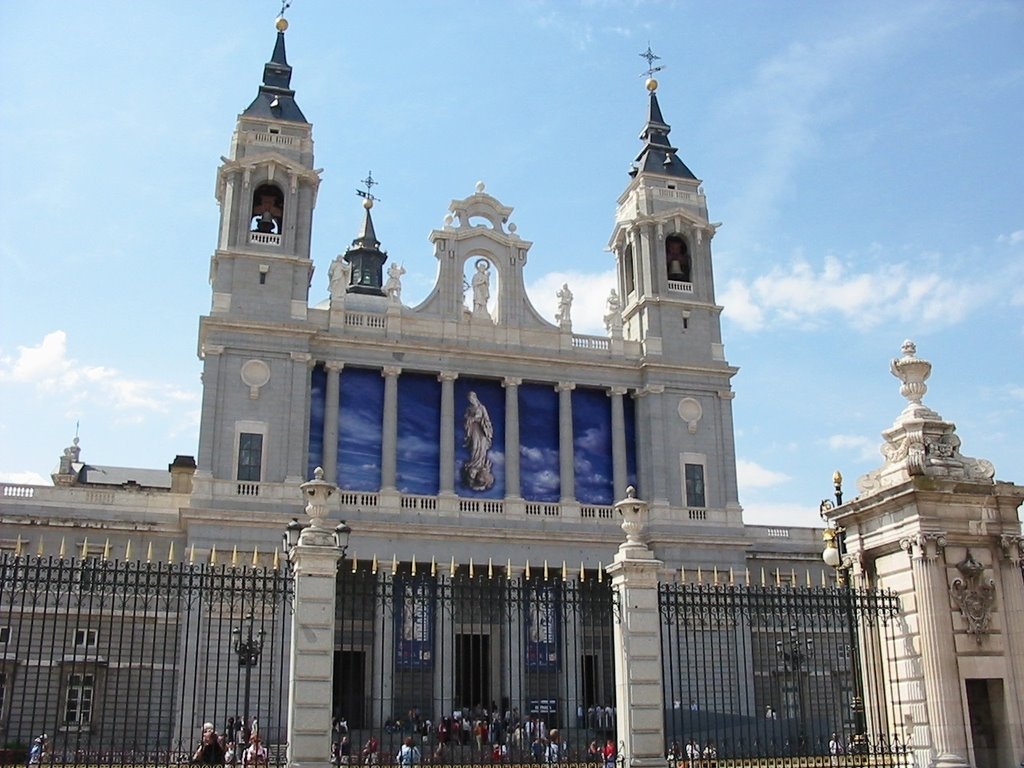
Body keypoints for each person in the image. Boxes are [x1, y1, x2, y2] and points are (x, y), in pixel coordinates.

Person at [461, 391, 494, 490]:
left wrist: (483, 423)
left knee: (482, 448)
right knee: (475, 447)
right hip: (473, 429)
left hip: (481, 430)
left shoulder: (482, 408)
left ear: (475, 397)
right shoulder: (469, 409)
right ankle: (475, 463)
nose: (470, 400)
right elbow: (465, 419)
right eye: (469, 398)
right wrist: (470, 419)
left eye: (472, 398)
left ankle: (480, 464)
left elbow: (486, 420)